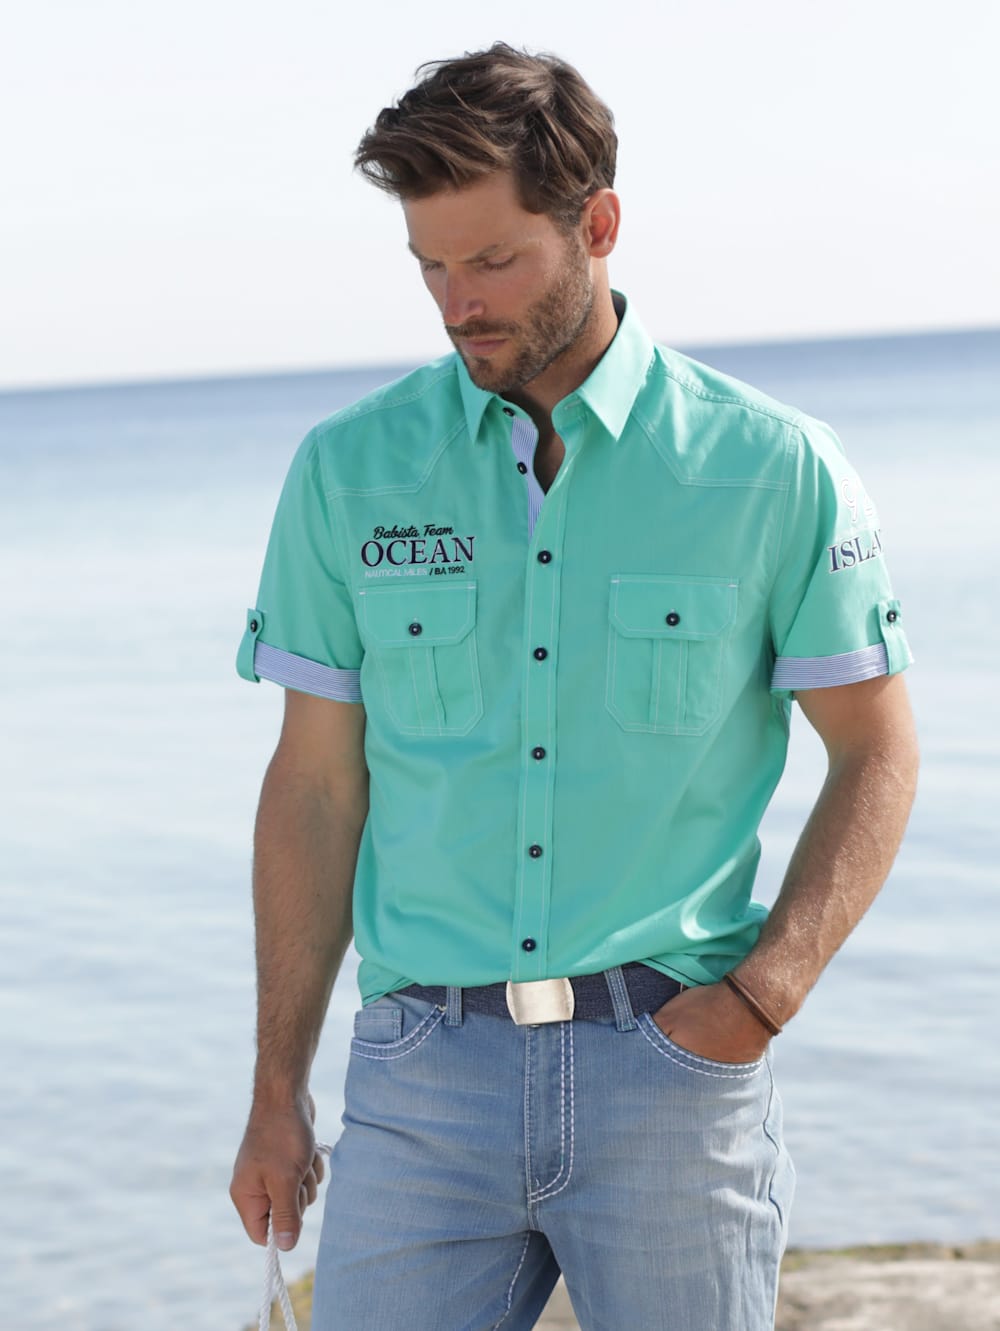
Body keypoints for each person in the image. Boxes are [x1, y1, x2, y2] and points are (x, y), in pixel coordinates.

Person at [229, 42, 919, 1331]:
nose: (458, 305)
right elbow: (315, 788)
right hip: (421, 1076)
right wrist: (277, 1090)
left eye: (493, 261)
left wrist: (760, 998)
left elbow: (877, 751)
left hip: (671, 1068)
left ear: (596, 225)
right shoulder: (347, 472)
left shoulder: (775, 468)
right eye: (431, 267)